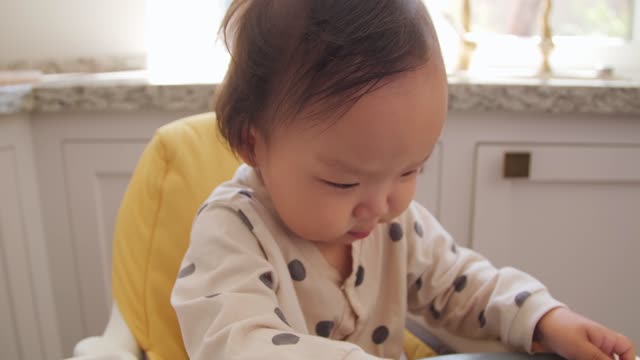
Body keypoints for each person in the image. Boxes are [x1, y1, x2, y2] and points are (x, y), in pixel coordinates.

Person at [171, 1, 637, 359]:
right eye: (343, 183)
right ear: (254, 145)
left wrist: (545, 319)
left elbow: (466, 285)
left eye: (410, 170)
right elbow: (237, 343)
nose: (381, 205)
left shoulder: (395, 226)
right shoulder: (230, 233)